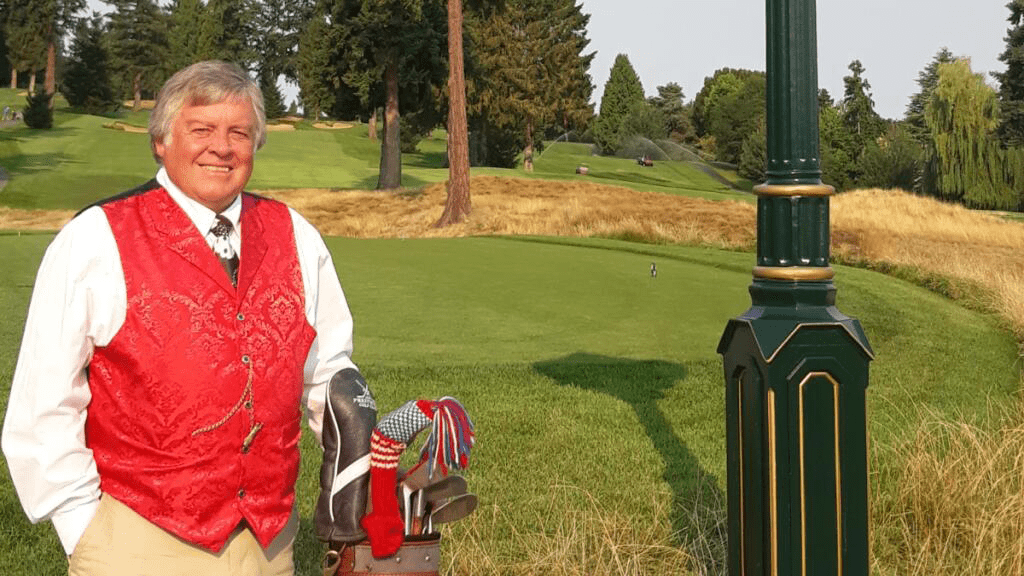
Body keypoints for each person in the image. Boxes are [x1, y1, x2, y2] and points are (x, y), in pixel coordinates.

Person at [2, 60, 367, 575]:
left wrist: (369, 458)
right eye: (201, 129)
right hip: (134, 543)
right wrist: (84, 528)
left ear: (255, 146)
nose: (222, 147)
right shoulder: (95, 239)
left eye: (239, 132)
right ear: (161, 140)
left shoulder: (297, 236)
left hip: (268, 546)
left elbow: (326, 373)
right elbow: (43, 406)